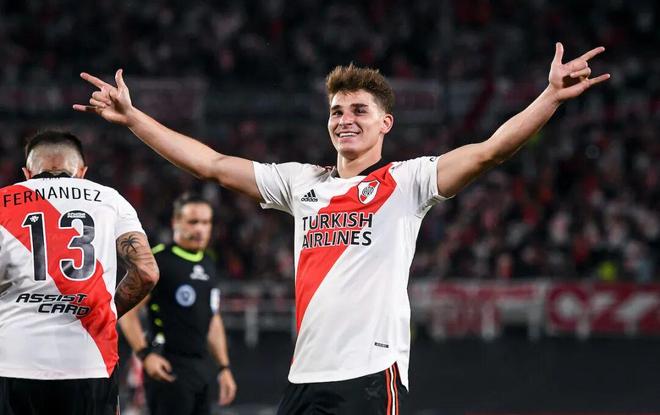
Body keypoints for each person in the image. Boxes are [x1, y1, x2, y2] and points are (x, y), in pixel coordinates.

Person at [75, 42, 609, 414]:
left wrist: (549, 97)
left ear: (385, 123)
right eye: (336, 111)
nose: (345, 119)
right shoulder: (301, 183)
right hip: (304, 375)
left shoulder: (408, 181)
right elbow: (211, 164)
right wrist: (135, 118)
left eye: (359, 110)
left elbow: (490, 151)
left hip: (370, 373)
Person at [0, 130, 159, 415]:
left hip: (14, 361)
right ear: (82, 172)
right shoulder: (110, 199)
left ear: (27, 173)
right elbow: (146, 272)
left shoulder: (3, 200)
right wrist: (107, 311)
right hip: (90, 361)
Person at [119, 192, 237, 414]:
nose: (200, 229)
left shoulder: (208, 262)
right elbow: (127, 312)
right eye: (193, 222)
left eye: (206, 222)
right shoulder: (158, 261)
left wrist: (224, 367)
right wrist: (145, 355)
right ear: (176, 222)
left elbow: (213, 318)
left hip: (201, 368)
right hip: (167, 365)